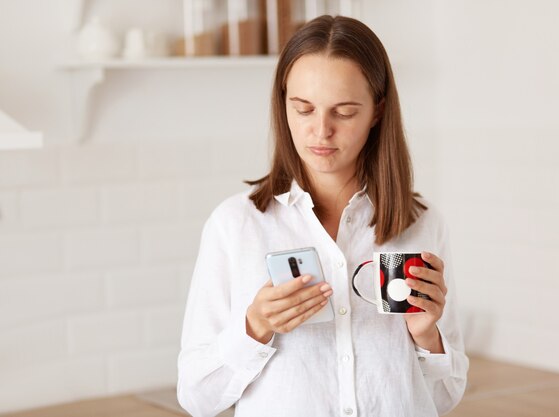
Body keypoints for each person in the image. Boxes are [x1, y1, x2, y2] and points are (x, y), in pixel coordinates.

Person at [177, 15, 468, 417]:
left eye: (344, 112)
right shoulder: (236, 225)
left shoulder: (422, 223)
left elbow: (444, 397)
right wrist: (255, 327)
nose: (321, 131)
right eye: (304, 109)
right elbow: (197, 399)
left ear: (377, 111)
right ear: (284, 106)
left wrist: (425, 336)